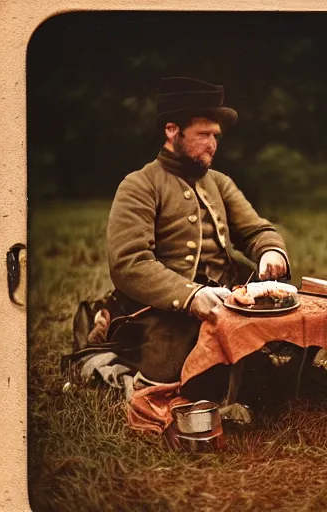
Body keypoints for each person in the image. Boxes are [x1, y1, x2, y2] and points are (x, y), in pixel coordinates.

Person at [104, 77, 291, 386]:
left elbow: (256, 231)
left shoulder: (219, 182)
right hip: (167, 308)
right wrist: (191, 295)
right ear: (171, 130)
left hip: (231, 294)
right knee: (174, 371)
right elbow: (129, 263)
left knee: (288, 326)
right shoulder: (139, 185)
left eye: (215, 136)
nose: (213, 144)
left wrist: (270, 250)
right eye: (203, 134)